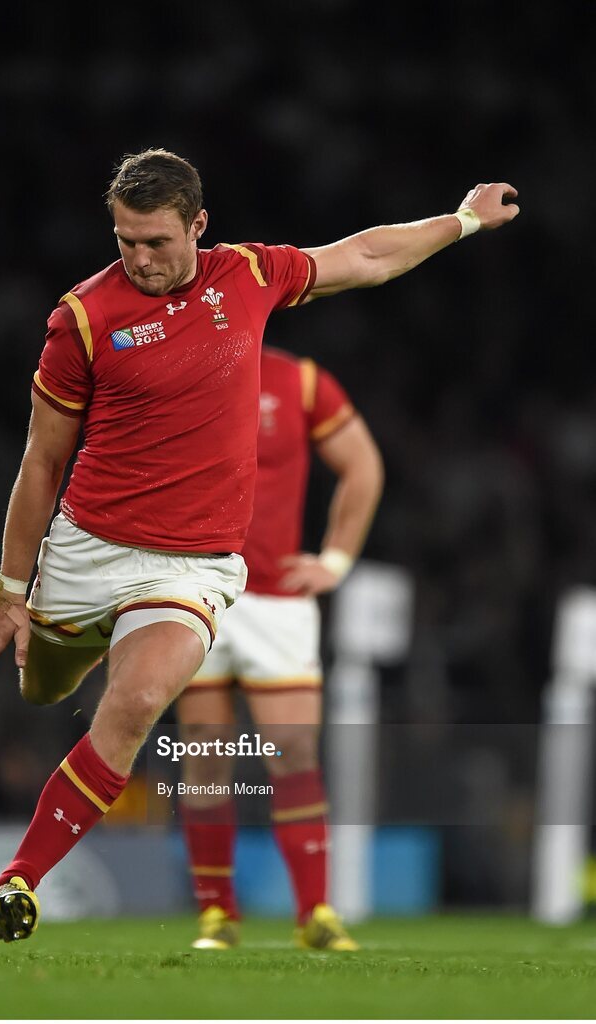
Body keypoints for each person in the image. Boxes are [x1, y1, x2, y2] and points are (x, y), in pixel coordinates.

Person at [0, 148, 518, 948]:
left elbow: (361, 255)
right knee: (44, 691)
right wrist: (12, 595)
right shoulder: (82, 318)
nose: (141, 260)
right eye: (125, 243)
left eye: (157, 241)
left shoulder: (249, 276)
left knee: (139, 703)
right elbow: (42, 461)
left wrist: (460, 221)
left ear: (199, 225)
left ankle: (17, 884)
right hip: (87, 548)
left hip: (193, 568)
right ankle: (61, 649)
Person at [177, 344, 383, 951]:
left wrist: (336, 560)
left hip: (277, 600)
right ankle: (217, 916)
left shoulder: (303, 382)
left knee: (294, 751)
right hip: (196, 590)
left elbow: (363, 466)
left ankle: (315, 913)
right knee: (207, 760)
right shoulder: (179, 364)